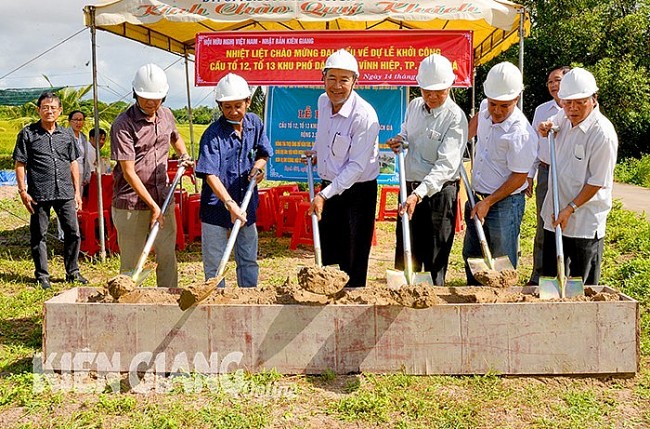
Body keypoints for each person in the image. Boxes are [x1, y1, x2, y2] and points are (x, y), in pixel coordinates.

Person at [386, 54, 468, 285]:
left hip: (437, 195)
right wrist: (400, 140)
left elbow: (446, 165)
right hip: (410, 190)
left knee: (434, 257)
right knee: (406, 251)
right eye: (426, 91)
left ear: (449, 86)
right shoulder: (414, 106)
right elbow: (407, 131)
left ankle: (432, 306)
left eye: (438, 92)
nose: (432, 97)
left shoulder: (455, 118)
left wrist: (418, 194)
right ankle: (401, 301)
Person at [110, 63, 192, 288]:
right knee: (132, 263)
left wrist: (183, 154)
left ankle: (167, 301)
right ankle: (129, 305)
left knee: (167, 256)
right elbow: (128, 171)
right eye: (146, 97)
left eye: (156, 98)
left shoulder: (166, 115)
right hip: (131, 203)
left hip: (162, 197)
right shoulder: (123, 124)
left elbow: (175, 137)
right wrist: (153, 207)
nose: (151, 102)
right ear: (135, 93)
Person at [306, 49, 380, 287]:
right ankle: (329, 303)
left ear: (355, 81)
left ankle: (354, 302)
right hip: (329, 189)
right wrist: (317, 152)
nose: (336, 86)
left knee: (353, 256)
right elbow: (325, 135)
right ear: (323, 78)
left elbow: (357, 166)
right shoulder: (322, 102)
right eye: (332, 79)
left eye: (344, 80)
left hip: (357, 193)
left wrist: (323, 195)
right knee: (329, 252)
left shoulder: (365, 116)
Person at [538, 67, 617, 285]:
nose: (572, 108)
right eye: (567, 102)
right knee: (551, 279)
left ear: (593, 99)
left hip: (584, 219)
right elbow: (551, 123)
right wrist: (546, 127)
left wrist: (570, 208)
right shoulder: (563, 117)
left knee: (582, 284)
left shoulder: (602, 134)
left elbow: (597, 182)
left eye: (580, 102)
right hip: (556, 213)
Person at [462, 62, 537, 285]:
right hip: (477, 196)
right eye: (494, 104)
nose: (496, 110)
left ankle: (502, 305)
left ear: (517, 98)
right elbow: (475, 123)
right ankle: (473, 297)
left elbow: (519, 177)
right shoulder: (487, 106)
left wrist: (490, 202)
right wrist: (459, 141)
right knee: (472, 253)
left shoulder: (521, 133)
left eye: (504, 106)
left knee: (501, 258)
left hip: (504, 203)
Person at [196, 73, 272, 286]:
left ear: (248, 101)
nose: (233, 112)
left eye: (238, 106)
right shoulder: (213, 135)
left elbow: (263, 153)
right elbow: (210, 174)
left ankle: (247, 300)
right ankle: (217, 302)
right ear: (220, 105)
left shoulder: (254, 123)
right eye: (227, 107)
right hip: (216, 206)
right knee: (215, 263)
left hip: (245, 201)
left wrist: (258, 168)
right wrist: (229, 204)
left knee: (248, 258)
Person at [12, 91, 87, 289]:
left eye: (53, 108)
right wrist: (22, 191)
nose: (49, 111)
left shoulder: (66, 135)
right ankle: (42, 276)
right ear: (39, 110)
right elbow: (20, 163)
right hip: (39, 193)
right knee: (39, 235)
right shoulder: (28, 134)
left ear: (60, 111)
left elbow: (73, 164)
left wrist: (77, 192)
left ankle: (73, 272)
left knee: (73, 233)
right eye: (45, 107)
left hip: (65, 192)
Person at [526, 66, 571, 285]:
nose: (553, 85)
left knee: (569, 223)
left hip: (568, 174)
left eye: (558, 80)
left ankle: (566, 274)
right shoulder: (541, 110)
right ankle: (539, 275)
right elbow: (535, 145)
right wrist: (530, 174)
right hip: (545, 171)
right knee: (544, 224)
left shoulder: (576, 109)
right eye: (550, 82)